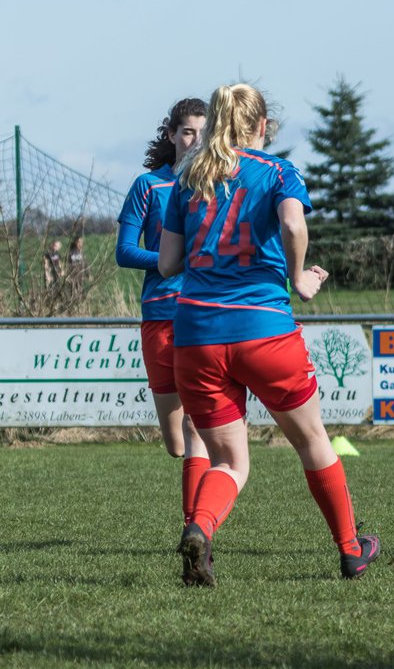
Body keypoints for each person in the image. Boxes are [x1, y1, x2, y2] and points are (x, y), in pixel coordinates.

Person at [158, 83, 379, 586]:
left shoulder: (188, 178)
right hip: (263, 329)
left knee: (229, 461)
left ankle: (201, 527)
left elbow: (169, 263)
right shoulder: (278, 172)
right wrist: (300, 277)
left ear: (214, 123)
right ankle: (351, 550)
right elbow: (293, 225)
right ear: (262, 127)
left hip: (194, 334)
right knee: (314, 443)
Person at [116, 98, 212, 539]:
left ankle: (195, 528)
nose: (194, 140)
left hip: (202, 314)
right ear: (171, 134)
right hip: (159, 315)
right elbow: (124, 251)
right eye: (187, 131)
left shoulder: (215, 187)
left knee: (196, 426)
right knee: (177, 442)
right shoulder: (148, 187)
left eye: (201, 132)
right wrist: (172, 259)